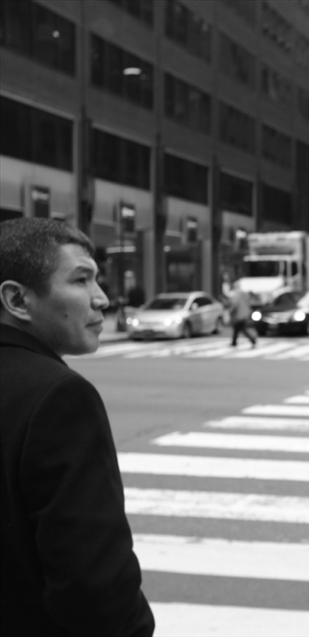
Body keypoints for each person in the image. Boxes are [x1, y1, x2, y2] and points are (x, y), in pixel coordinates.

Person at [0, 218, 155, 636]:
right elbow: (93, 587)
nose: (102, 299)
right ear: (17, 299)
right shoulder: (59, 397)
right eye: (81, 280)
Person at [228, 282, 257, 348]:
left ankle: (252, 340)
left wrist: (231, 311)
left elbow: (234, 305)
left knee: (241, 329)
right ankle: (234, 342)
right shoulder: (244, 294)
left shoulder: (236, 295)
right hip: (244, 314)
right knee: (238, 329)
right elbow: (248, 303)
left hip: (238, 315)